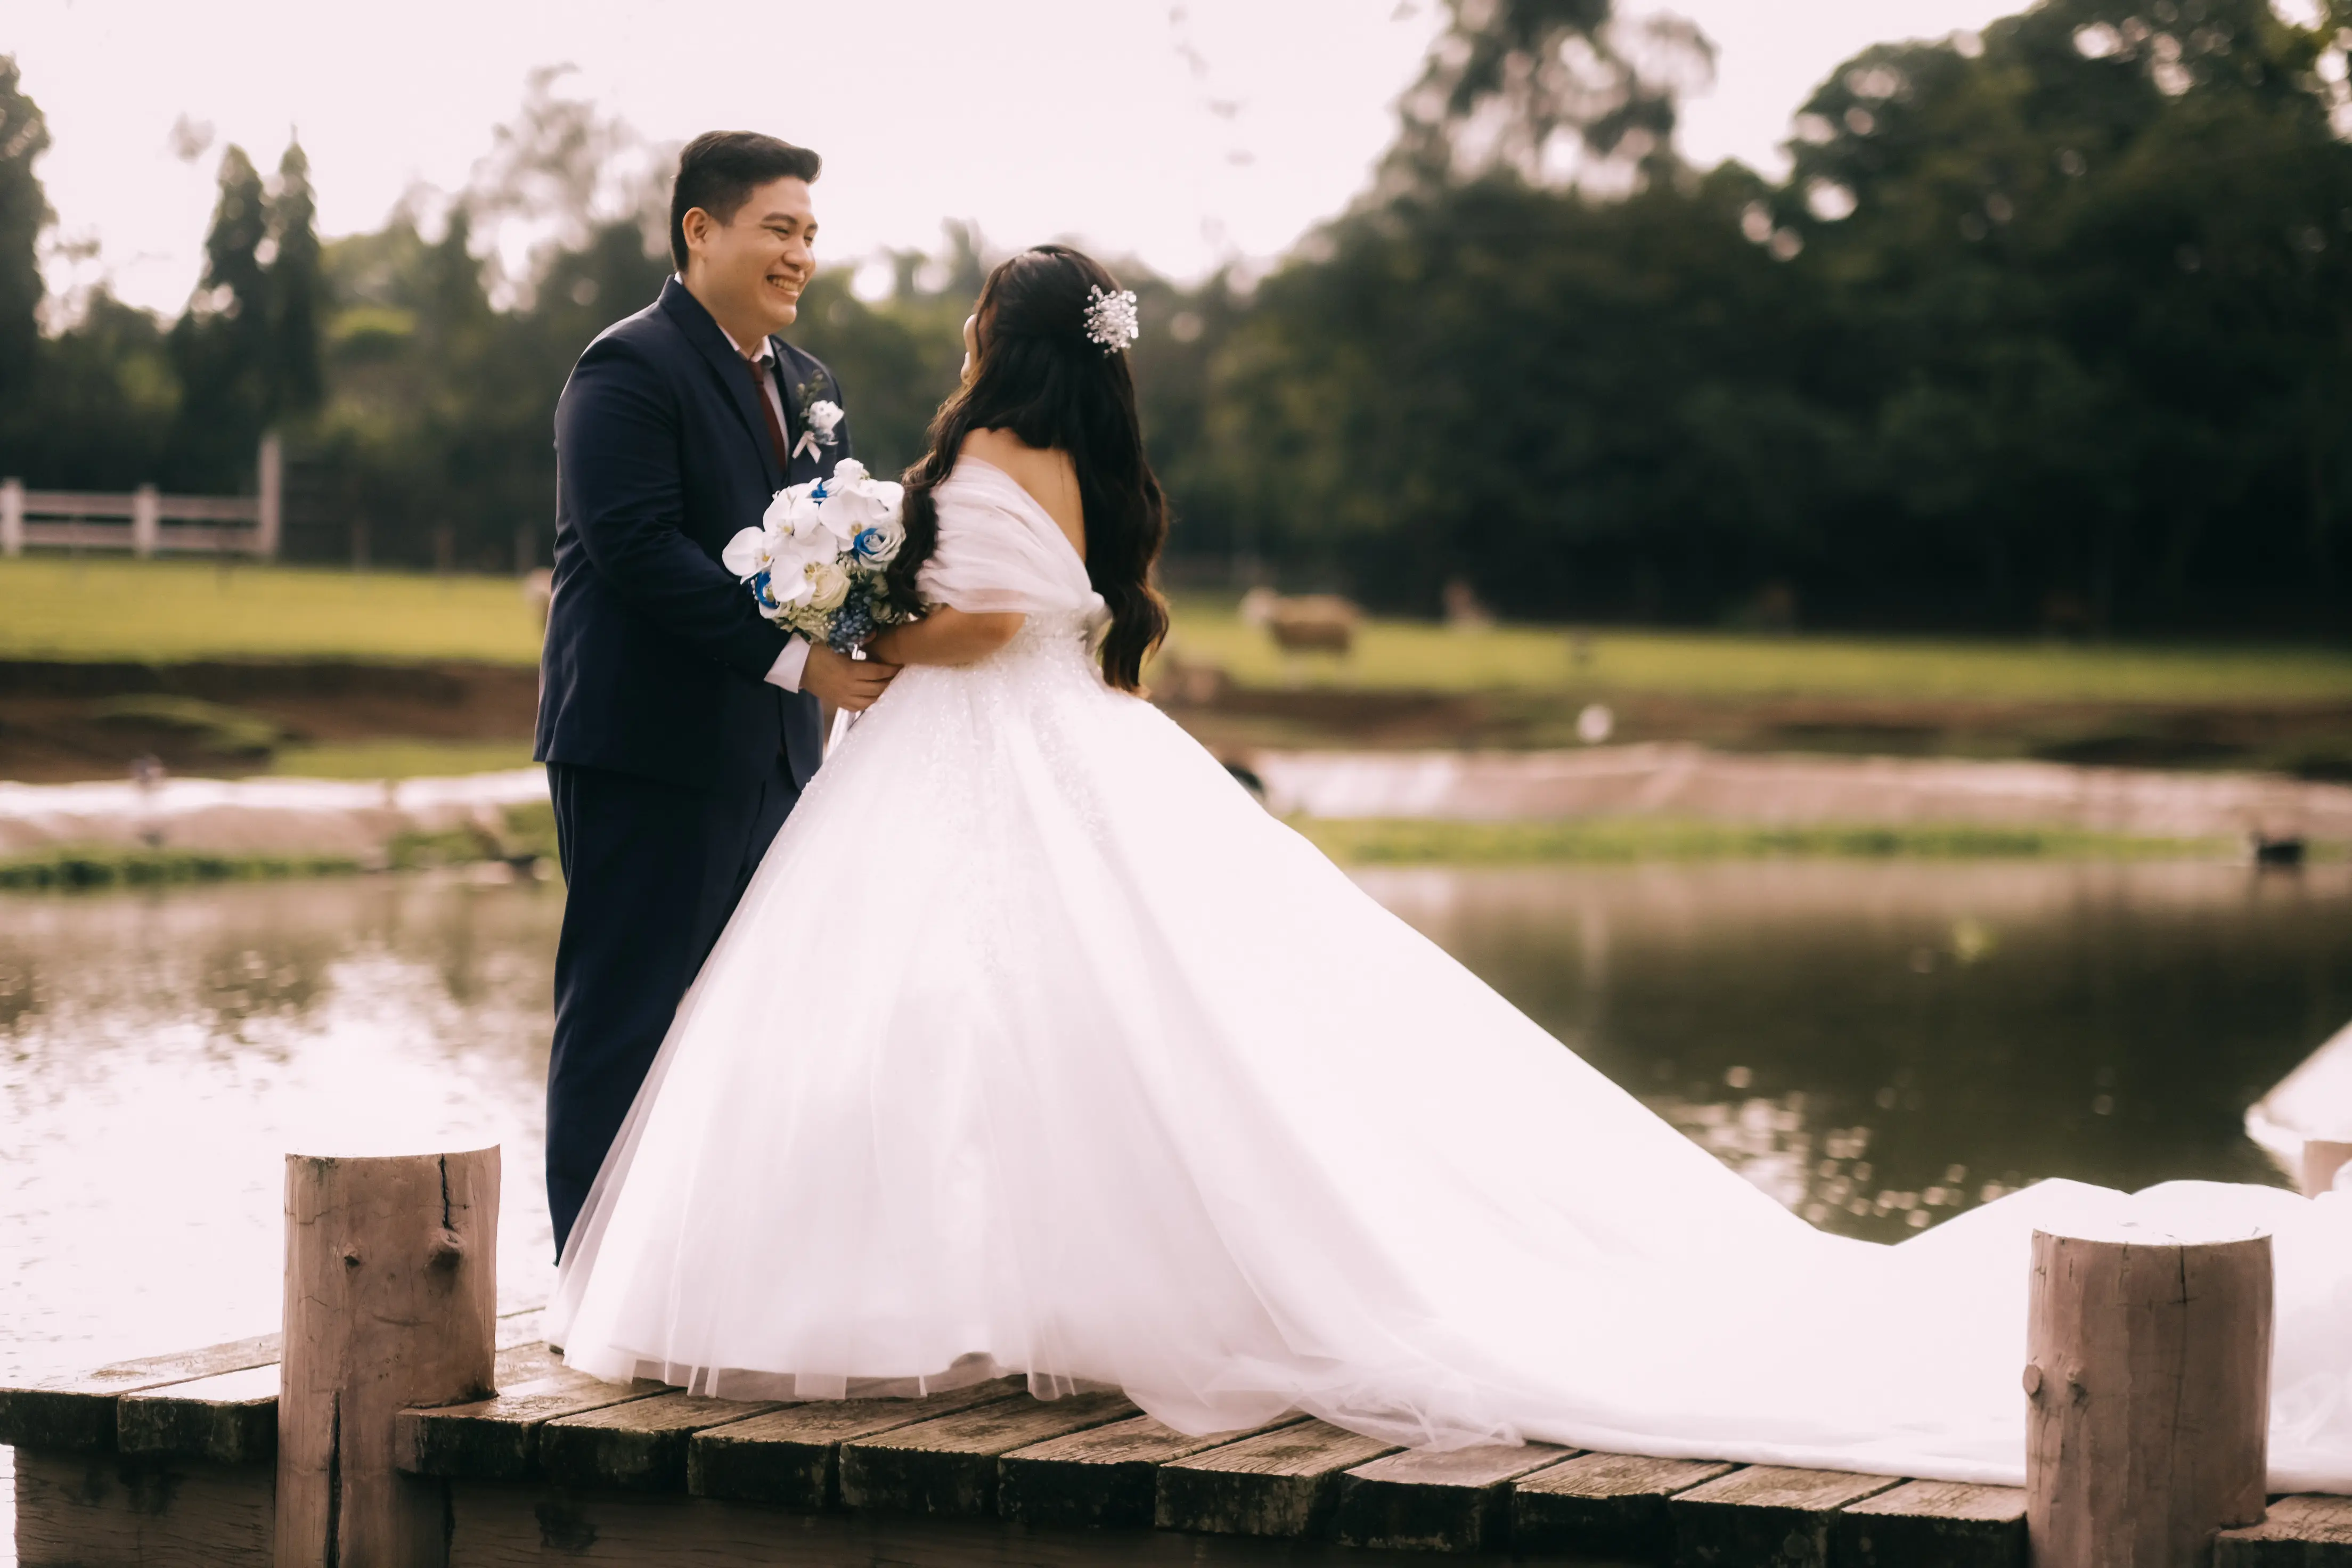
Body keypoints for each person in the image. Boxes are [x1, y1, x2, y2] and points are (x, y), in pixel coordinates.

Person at [548, 244, 2352, 1490]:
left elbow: (1001, 614)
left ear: (996, 337)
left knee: (974, 1028)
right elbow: (1060, 605)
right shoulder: (1071, 454)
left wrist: (860, 621)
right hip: (1021, 757)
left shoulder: (987, 457)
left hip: (967, 750)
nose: (945, 328)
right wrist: (862, 601)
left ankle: (954, 1296)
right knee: (1058, 1030)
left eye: (964, 311)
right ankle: (997, 1291)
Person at [533, 132, 895, 1256]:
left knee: (752, 1023)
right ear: (702, 229)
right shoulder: (626, 368)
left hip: (776, 753)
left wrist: (876, 628)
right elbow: (639, 549)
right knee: (628, 1015)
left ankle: (704, 1274)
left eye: (810, 235)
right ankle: (589, 1281)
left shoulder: (809, 384)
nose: (802, 256)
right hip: (648, 745)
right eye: (780, 229)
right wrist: (803, 663)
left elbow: (838, 553)